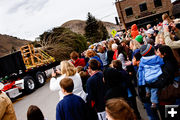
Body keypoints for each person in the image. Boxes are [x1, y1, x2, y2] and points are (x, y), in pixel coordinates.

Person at [138, 44, 164, 108]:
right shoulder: (157, 58)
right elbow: (162, 63)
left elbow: (140, 71)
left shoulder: (142, 60)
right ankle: (154, 103)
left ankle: (147, 93)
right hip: (156, 76)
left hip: (147, 77)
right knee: (154, 90)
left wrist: (141, 82)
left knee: (148, 86)